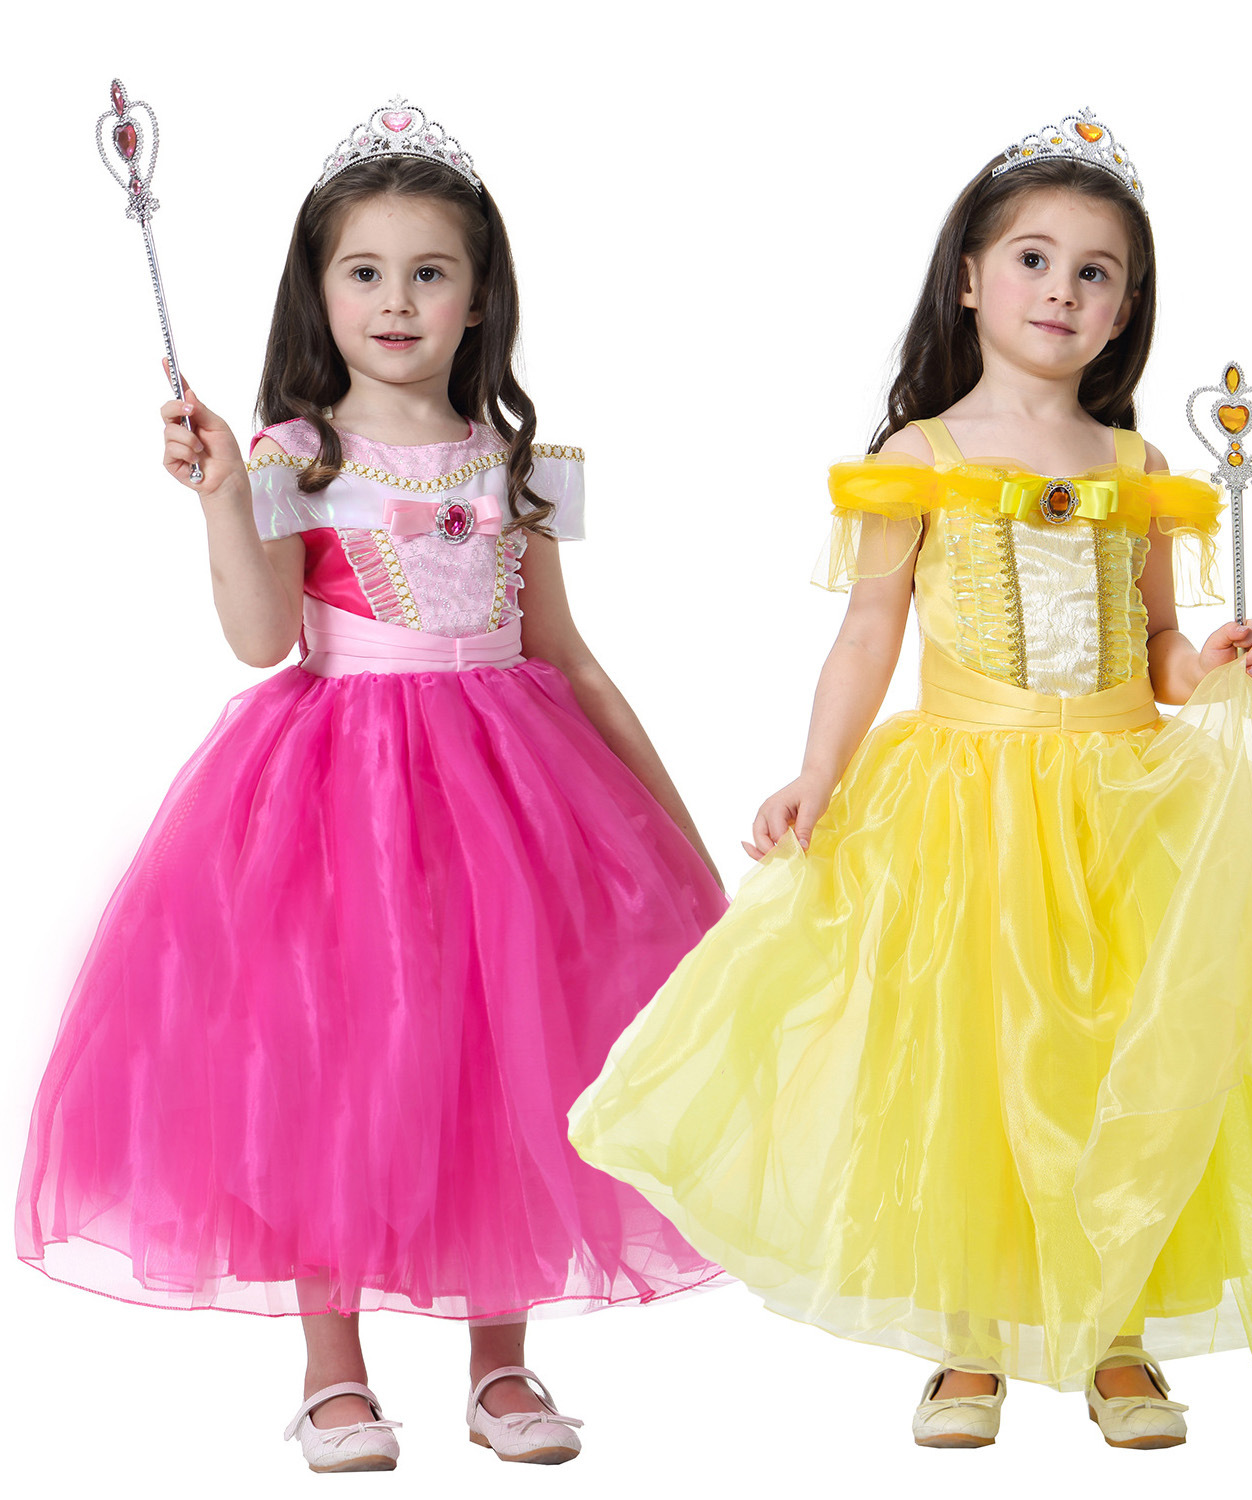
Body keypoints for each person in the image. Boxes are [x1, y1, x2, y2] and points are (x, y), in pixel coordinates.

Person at [568, 107, 1252, 1451]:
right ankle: (971, 1334)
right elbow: (868, 630)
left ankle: (1117, 1332)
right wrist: (818, 773)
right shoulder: (919, 457)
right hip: (965, 803)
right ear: (971, 280)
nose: (1062, 289)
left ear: (1125, 310)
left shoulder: (1140, 468)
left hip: (1123, 803)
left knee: (1128, 1053)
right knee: (972, 1060)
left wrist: (1209, 661)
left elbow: (1156, 646)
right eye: (1034, 259)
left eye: (1096, 272)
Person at [16, 97, 726, 1472]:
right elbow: (258, 636)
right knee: (336, 1061)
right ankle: (332, 1374)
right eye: (365, 271)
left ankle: (502, 1362)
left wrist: (671, 830)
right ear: (320, 290)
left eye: (429, 272)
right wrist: (222, 497)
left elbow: (566, 652)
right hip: (343, 800)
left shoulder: (516, 461)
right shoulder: (296, 455)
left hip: (512, 798)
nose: (396, 301)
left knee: (508, 1054)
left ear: (480, 297)